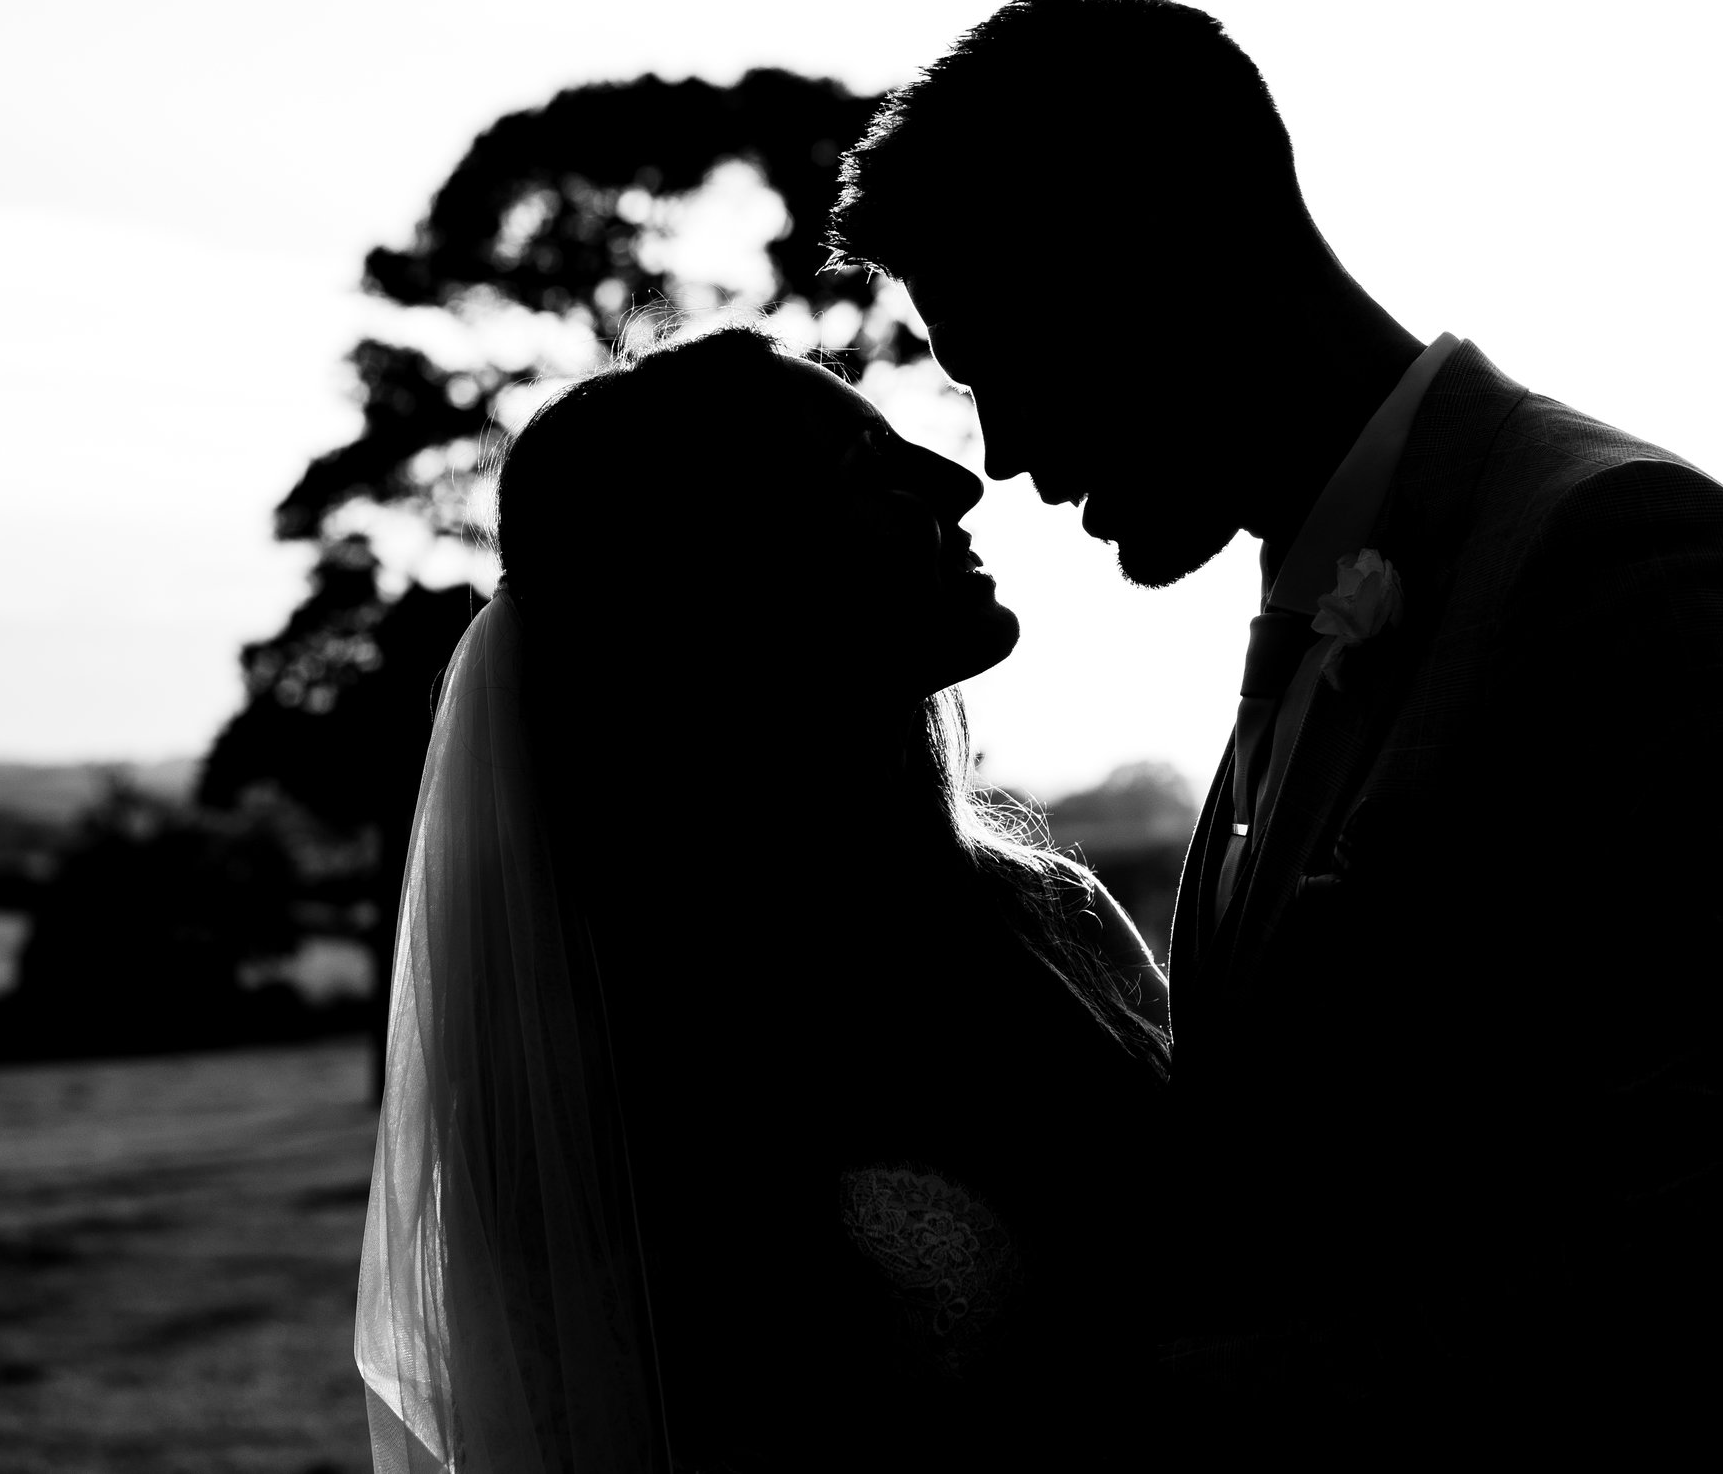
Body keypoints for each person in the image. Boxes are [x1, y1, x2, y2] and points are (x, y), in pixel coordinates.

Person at [828, 0, 1723, 1449]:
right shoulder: (1327, 612)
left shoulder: (1619, 560)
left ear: (1161, 257)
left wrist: (1125, 1409)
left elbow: (1722, 1236)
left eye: (1004, 357)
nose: (1008, 453)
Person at [355, 324, 1172, 1470]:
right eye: (865, 470)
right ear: (733, 577)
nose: (958, 479)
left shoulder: (1056, 911)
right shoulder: (618, 1029)